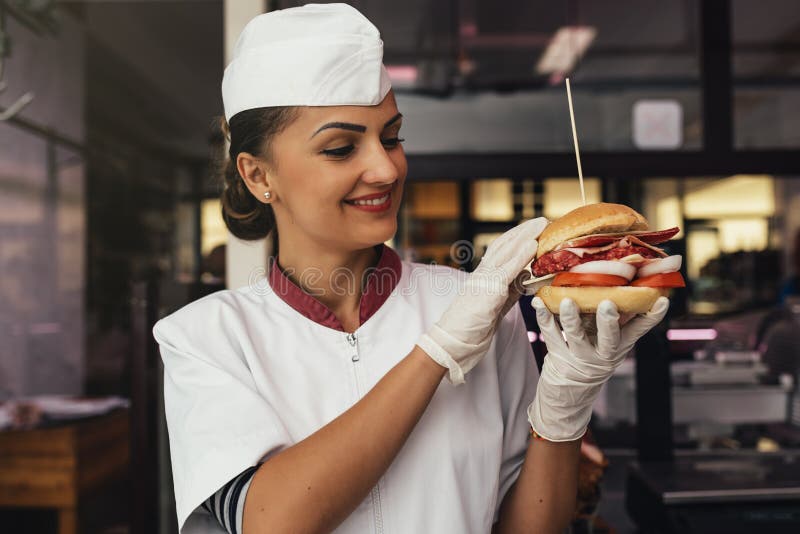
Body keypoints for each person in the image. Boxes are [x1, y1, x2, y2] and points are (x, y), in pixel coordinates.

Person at [152, 4, 668, 534]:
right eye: (340, 147)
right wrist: (439, 350)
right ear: (259, 175)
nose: (385, 167)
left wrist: (565, 405)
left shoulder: (485, 307)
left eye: (392, 137)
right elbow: (273, 521)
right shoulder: (206, 339)